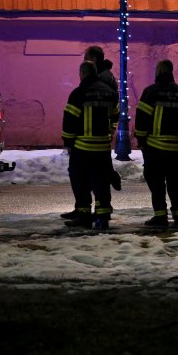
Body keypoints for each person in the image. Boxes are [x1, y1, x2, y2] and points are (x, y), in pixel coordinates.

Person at [61, 61, 119, 229]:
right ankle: (103, 215)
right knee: (101, 180)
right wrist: (108, 134)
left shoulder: (79, 93)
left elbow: (70, 120)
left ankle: (84, 214)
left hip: (83, 146)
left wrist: (68, 142)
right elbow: (114, 116)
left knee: (80, 179)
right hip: (102, 147)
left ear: (83, 74)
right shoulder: (110, 92)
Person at [135, 60, 178, 229]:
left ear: (158, 71)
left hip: (154, 147)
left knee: (156, 182)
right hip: (174, 148)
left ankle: (160, 215)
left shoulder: (151, 92)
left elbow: (142, 119)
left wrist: (141, 140)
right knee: (175, 181)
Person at [83, 45, 122, 191]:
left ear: (93, 58)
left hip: (99, 127)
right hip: (102, 126)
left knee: (97, 164)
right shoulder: (105, 75)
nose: (84, 60)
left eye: (86, 57)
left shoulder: (102, 77)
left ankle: (109, 176)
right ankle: (109, 175)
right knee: (100, 161)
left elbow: (106, 103)